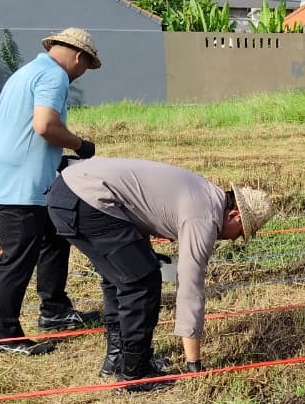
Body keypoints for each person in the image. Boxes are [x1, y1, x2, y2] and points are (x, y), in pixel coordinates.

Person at [47, 156, 273, 390]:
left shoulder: (204, 192)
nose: (235, 239)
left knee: (121, 277)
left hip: (68, 192)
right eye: (241, 232)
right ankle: (136, 374)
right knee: (142, 281)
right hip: (88, 199)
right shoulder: (205, 216)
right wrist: (194, 364)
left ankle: (118, 359)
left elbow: (138, 212)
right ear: (234, 215)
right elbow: (190, 286)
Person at [0, 27, 103, 356]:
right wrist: (80, 145)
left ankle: (55, 311)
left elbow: (23, 129)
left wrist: (55, 158)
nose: (81, 74)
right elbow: (45, 125)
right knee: (18, 258)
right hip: (21, 185)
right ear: (79, 57)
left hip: (21, 176)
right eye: (86, 67)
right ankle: (4, 334)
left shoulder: (27, 72)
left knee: (55, 239)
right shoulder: (54, 76)